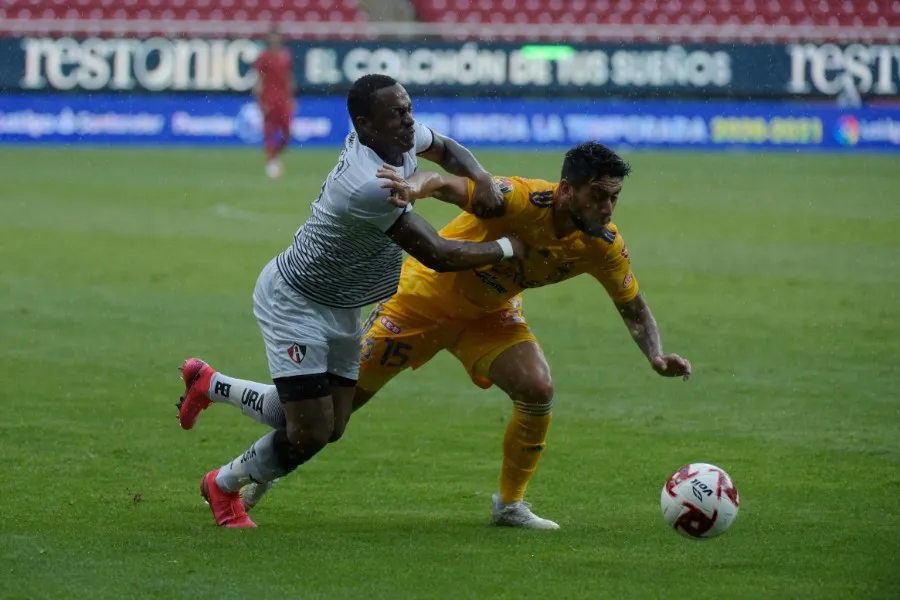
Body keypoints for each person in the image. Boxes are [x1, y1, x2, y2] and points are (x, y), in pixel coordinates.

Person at [179, 142, 692, 529]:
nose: (608, 208)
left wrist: (656, 353)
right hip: (417, 303)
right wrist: (413, 188)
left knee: (537, 387)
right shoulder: (517, 199)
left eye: (614, 198)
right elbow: (444, 183)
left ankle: (509, 505)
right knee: (328, 420)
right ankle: (223, 404)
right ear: (566, 190)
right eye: (599, 196)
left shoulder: (602, 244)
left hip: (489, 316)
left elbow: (632, 305)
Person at [178, 73, 523, 528]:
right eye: (397, 113)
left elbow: (445, 148)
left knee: (332, 425)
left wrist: (480, 177)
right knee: (309, 432)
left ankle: (210, 384)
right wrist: (509, 248)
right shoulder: (369, 184)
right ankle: (222, 485)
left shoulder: (397, 139)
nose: (409, 120)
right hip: (297, 301)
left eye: (408, 109)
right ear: (365, 124)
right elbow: (437, 254)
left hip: (344, 304)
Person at [252, 25, 295, 178]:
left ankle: (274, 156)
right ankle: (271, 162)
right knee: (269, 132)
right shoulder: (263, 57)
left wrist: (291, 98)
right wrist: (260, 101)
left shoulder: (286, 55)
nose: (275, 40)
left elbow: (288, 77)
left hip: (284, 100)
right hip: (269, 99)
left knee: (288, 133)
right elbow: (258, 80)